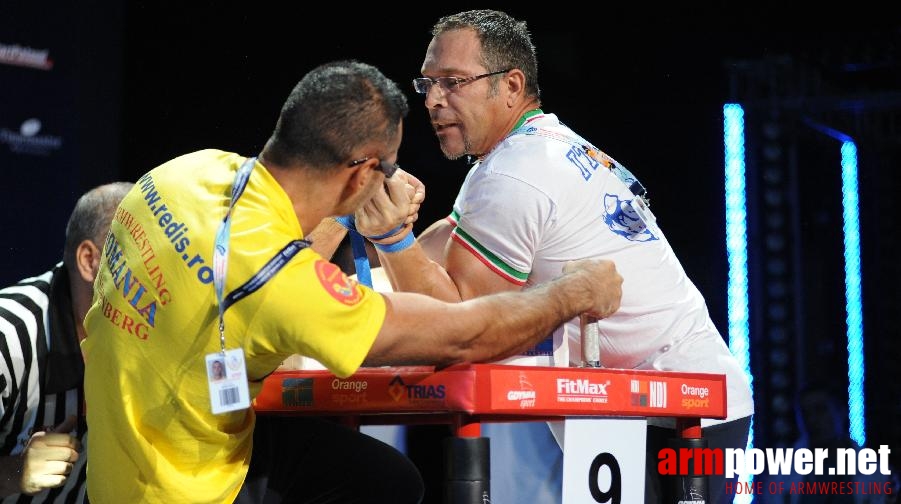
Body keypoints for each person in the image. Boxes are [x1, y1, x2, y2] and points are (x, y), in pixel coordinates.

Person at [80, 60, 623, 504]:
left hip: (119, 456)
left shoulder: (184, 173)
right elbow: (462, 336)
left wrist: (345, 209)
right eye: (383, 171)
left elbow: (280, 245)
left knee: (382, 477)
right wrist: (571, 292)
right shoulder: (282, 287)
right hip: (181, 492)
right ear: (362, 172)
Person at [350, 9, 755, 504]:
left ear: (512, 85)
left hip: (672, 413)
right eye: (427, 83)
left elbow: (461, 327)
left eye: (453, 82)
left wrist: (392, 238)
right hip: (684, 401)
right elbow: (446, 241)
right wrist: (369, 238)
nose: (433, 100)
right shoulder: (541, 147)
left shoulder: (513, 173)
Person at [0, 181, 133, 503]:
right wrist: (12, 472)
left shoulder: (161, 333)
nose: (162, 282)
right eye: (145, 260)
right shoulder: (9, 335)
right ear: (90, 261)